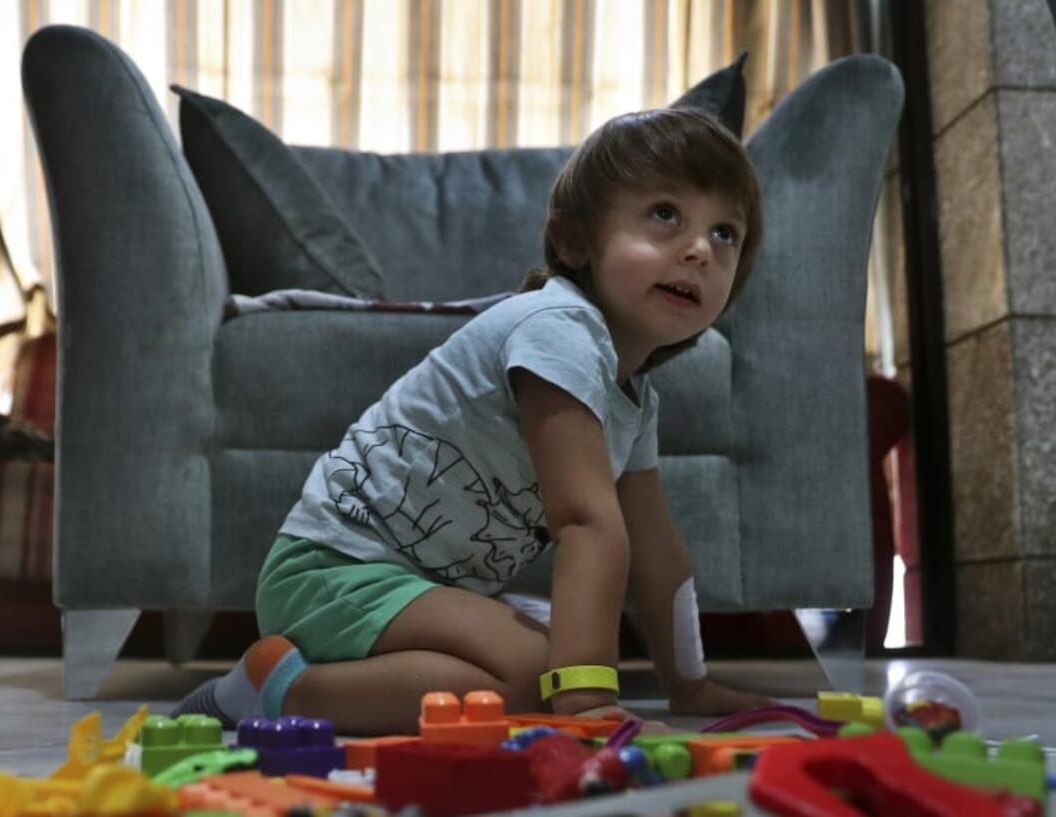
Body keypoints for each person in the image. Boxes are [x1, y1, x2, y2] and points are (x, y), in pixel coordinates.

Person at [174, 107, 773, 735]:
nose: (699, 250)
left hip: (409, 587)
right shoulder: (557, 329)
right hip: (332, 569)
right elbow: (587, 521)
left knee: (547, 658)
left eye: (725, 233)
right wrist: (586, 702)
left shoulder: (632, 398)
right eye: (665, 215)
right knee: (540, 678)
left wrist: (690, 684)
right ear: (575, 242)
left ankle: (305, 682)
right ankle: (277, 689)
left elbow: (657, 550)